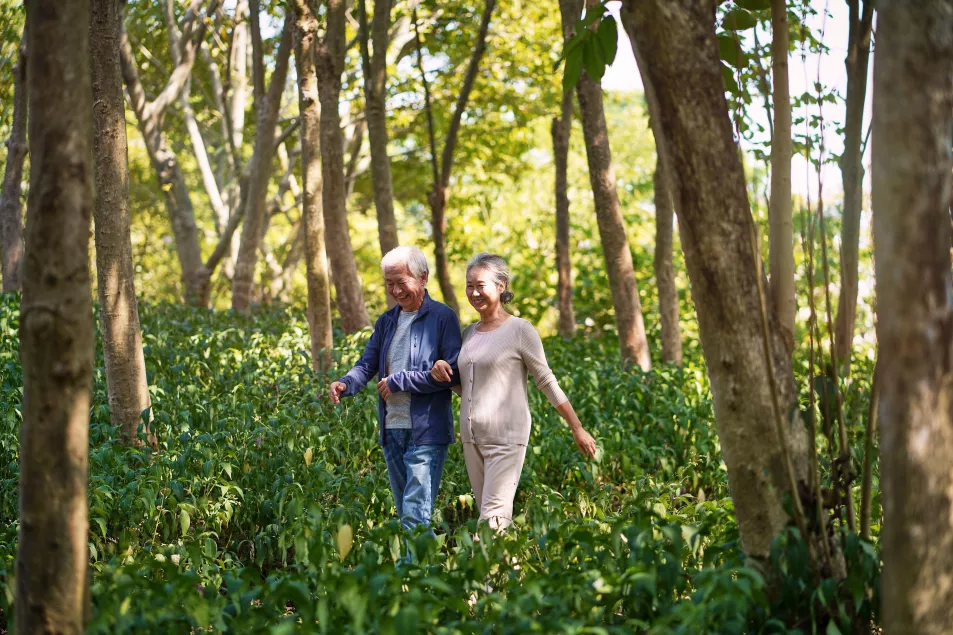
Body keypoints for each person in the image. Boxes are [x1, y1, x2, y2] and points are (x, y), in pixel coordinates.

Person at [431, 253, 596, 530]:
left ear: (501, 286)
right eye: (469, 286)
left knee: (491, 522)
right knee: (493, 517)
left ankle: (478, 573)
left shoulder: (520, 330)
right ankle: (510, 571)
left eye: (480, 285)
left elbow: (546, 380)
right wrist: (442, 374)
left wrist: (576, 427)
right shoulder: (469, 333)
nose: (473, 292)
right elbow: (469, 386)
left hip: (506, 437)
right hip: (472, 438)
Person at [329, 246, 462, 532]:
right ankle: (417, 574)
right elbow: (366, 365)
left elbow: (451, 374)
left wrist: (400, 380)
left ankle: (412, 575)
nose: (395, 291)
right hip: (392, 430)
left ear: (423, 277)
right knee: (407, 516)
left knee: (416, 517)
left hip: (427, 433)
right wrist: (346, 383)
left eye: (401, 282)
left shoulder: (443, 317)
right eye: (389, 283)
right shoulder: (386, 321)